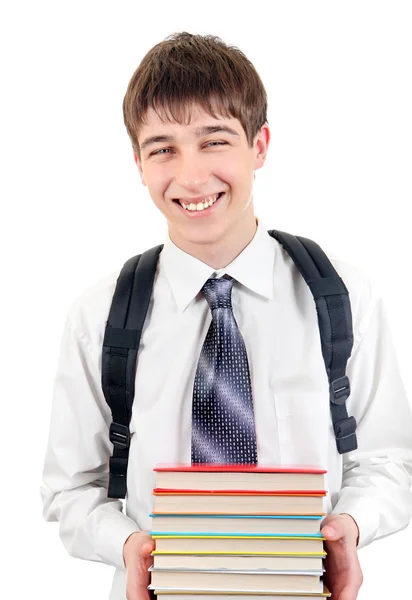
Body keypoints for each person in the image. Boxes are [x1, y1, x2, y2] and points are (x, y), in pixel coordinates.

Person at [40, 32, 412, 600]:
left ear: (260, 145)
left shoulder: (342, 296)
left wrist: (349, 528)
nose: (190, 177)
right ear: (138, 163)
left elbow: (390, 461)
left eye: (214, 141)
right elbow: (70, 489)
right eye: (163, 148)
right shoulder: (101, 315)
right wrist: (127, 545)